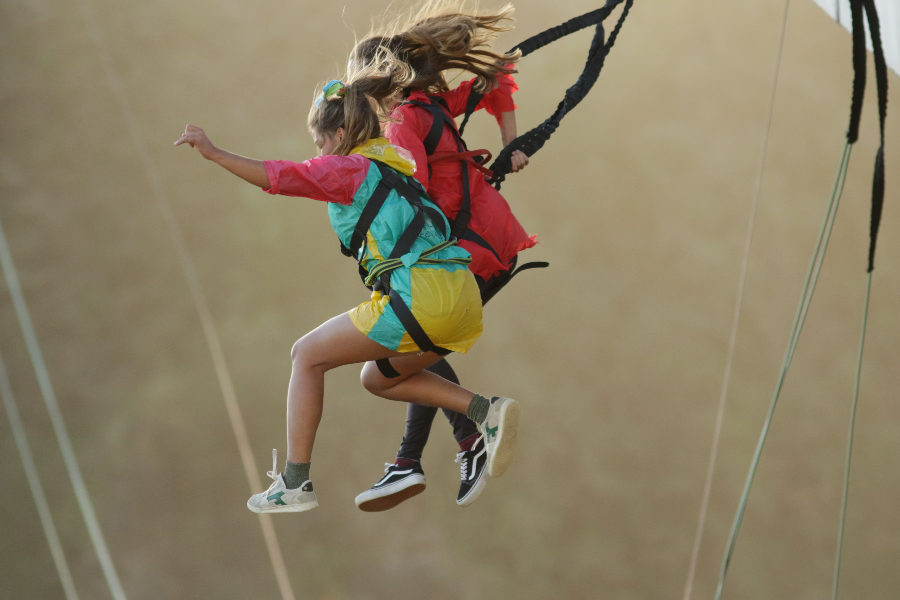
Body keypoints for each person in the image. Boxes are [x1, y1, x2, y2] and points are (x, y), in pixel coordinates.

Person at [174, 55, 520, 514]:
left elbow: (280, 177)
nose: (318, 153)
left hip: (424, 298)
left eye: (320, 142)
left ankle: (295, 482)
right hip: (459, 297)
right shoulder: (395, 165)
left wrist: (215, 153)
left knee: (306, 355)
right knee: (377, 377)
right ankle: (484, 412)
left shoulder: (347, 168)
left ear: (339, 136)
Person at [349, 1, 539, 512]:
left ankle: (456, 440)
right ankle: (424, 456)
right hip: (489, 243)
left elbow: (418, 200)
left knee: (393, 359)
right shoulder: (429, 107)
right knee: (410, 354)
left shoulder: (403, 122)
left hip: (464, 252)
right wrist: (510, 141)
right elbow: (497, 79)